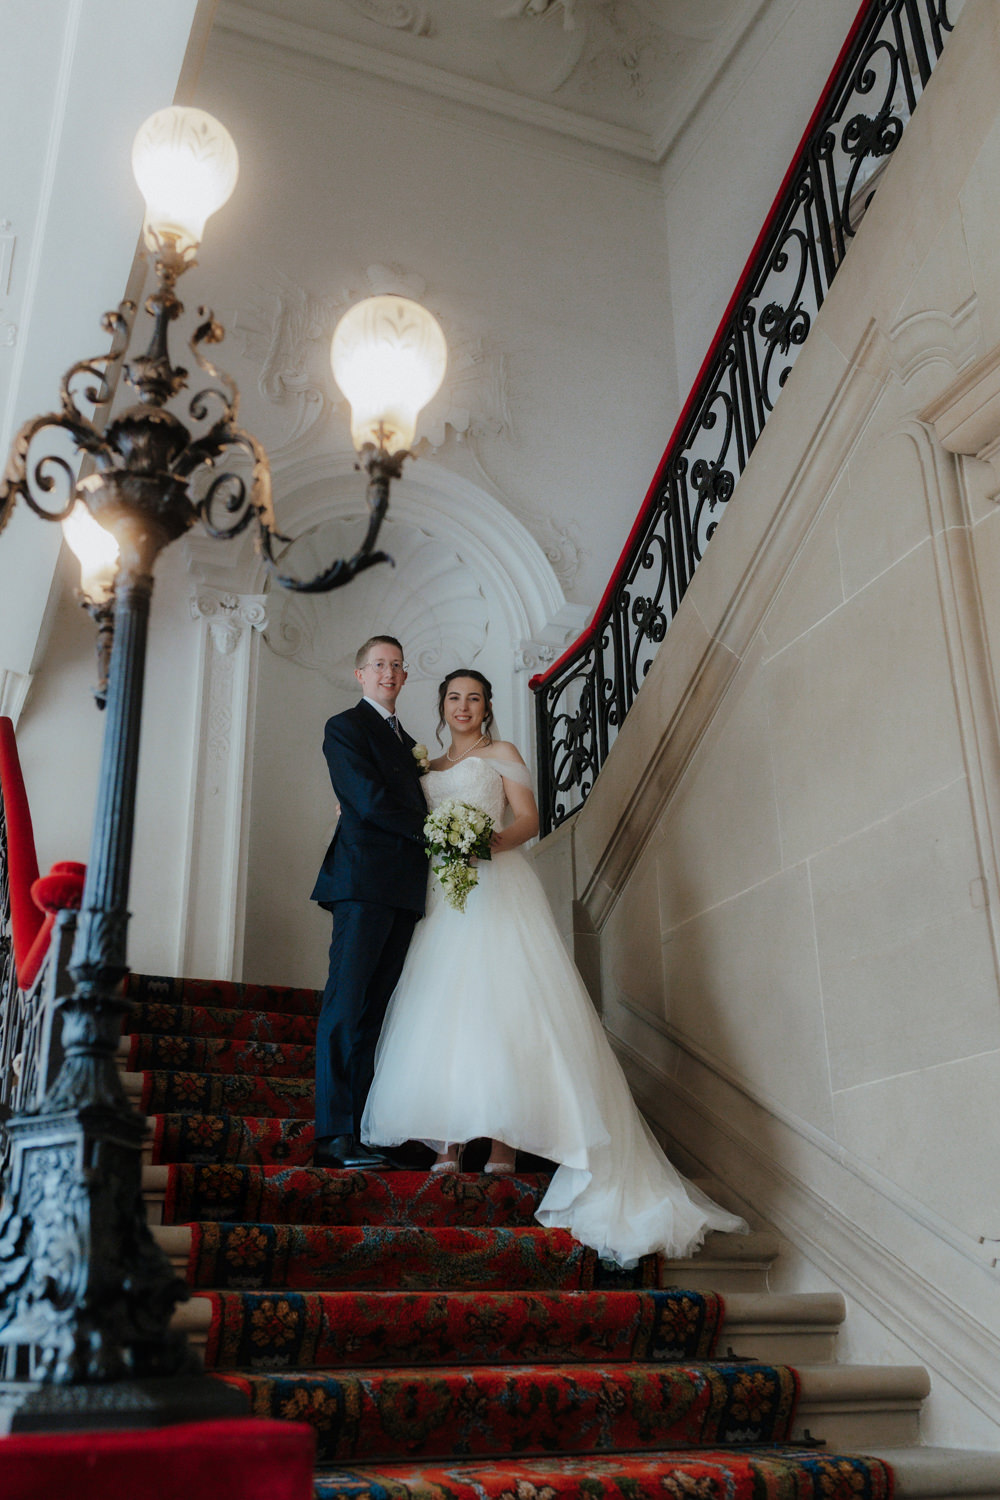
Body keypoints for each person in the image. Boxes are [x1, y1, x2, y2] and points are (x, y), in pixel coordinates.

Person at [361, 668, 748, 1266]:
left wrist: (485, 844)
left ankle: (506, 1140)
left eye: (475, 698)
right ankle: (448, 1138)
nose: (464, 706)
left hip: (496, 887)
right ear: (441, 706)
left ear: (487, 707)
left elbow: (528, 820)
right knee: (445, 1007)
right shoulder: (426, 768)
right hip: (444, 894)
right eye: (454, 698)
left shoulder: (503, 753)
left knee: (505, 1003)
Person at [310, 635, 428, 1169]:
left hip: (404, 889)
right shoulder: (345, 727)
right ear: (361, 674)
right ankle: (334, 1135)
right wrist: (436, 832)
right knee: (346, 1005)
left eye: (397, 666)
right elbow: (366, 798)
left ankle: (364, 1130)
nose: (388, 672)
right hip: (361, 883)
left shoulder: (410, 743)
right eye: (379, 664)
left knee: (377, 1013)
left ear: (405, 678)